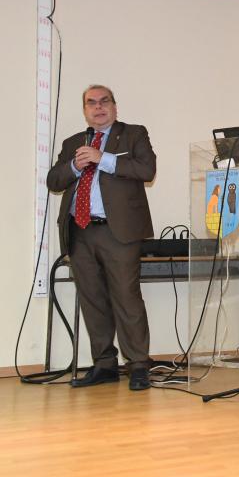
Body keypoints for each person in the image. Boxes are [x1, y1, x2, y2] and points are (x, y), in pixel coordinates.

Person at [46, 85, 156, 391]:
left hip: (118, 231)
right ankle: (105, 364)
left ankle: (138, 365)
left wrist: (102, 157)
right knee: (92, 299)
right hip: (79, 231)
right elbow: (53, 180)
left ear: (114, 106)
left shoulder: (134, 134)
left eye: (104, 101)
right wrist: (74, 166)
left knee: (126, 297)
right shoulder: (73, 143)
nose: (98, 107)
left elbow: (147, 169)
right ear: (85, 110)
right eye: (91, 103)